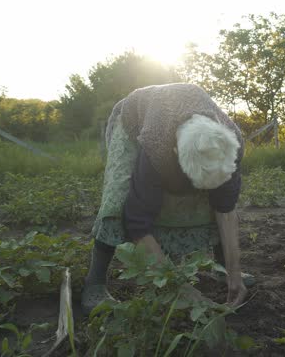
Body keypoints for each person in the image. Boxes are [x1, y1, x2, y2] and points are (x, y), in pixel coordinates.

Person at [81, 83, 249, 314]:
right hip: (135, 118)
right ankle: (95, 282)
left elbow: (226, 209)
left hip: (172, 121)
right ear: (176, 155)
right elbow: (137, 221)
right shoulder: (157, 147)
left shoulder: (231, 144)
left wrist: (235, 272)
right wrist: (180, 288)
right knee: (116, 199)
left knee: (213, 203)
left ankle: (222, 270)